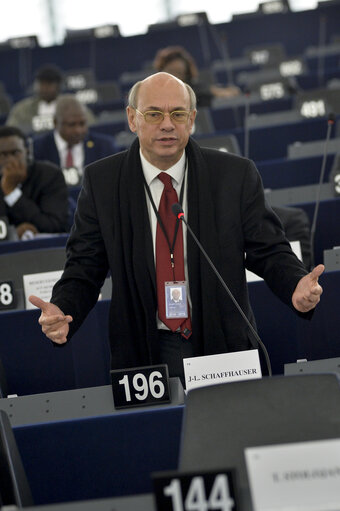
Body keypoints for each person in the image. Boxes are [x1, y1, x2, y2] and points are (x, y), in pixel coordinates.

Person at [29, 73, 324, 384]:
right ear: (133, 119)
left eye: (178, 114)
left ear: (192, 119)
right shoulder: (102, 183)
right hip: (144, 350)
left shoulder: (233, 175)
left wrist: (295, 283)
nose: (167, 124)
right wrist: (62, 307)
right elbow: (85, 266)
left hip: (223, 342)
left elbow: (269, 249)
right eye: (154, 114)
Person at [33, 95, 117, 187]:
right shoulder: (37, 148)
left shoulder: (104, 146)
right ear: (56, 123)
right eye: (72, 125)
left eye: (82, 123)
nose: (78, 130)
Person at [0, 126, 69, 238]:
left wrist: (12, 192)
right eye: (2, 155)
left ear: (27, 153)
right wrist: (13, 233)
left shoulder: (50, 175)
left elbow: (54, 225)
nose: (10, 161)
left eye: (15, 153)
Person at [153, 46, 240, 106]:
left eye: (179, 72)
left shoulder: (195, 90)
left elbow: (209, 91)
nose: (174, 76)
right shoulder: (152, 93)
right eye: (171, 71)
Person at [6, 65, 63, 135]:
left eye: (49, 84)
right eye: (41, 84)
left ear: (58, 86)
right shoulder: (22, 109)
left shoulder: (69, 106)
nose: (44, 88)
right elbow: (10, 131)